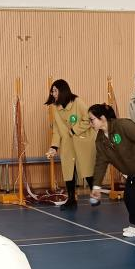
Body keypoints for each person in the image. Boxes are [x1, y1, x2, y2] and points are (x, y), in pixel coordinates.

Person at [88, 103, 135, 237]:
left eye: (92, 120)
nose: (90, 123)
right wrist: (96, 187)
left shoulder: (123, 125)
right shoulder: (100, 140)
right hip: (132, 171)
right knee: (128, 197)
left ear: (102, 118)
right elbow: (100, 163)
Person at [44, 80, 96, 211]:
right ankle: (71, 199)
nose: (53, 93)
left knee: (87, 168)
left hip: (83, 141)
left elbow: (89, 118)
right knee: (68, 170)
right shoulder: (56, 108)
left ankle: (95, 194)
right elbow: (56, 129)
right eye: (52, 91)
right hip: (68, 143)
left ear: (62, 91)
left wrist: (74, 130)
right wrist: (54, 147)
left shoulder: (77, 102)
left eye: (55, 90)